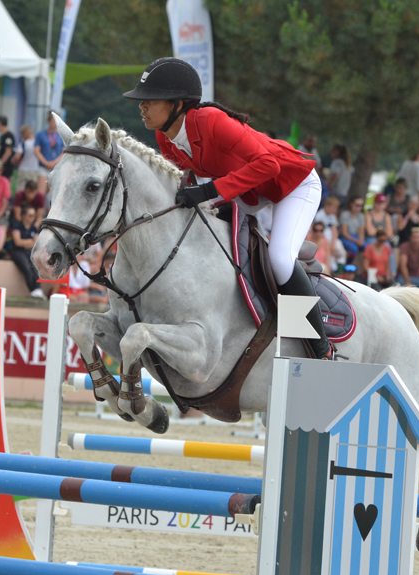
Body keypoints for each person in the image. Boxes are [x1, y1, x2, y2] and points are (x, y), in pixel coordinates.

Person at [124, 57, 331, 358]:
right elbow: (185, 179)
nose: (141, 107)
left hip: (292, 183)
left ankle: (320, 347)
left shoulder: (211, 120)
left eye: (149, 101)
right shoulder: (164, 137)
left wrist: (208, 191)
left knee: (280, 259)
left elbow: (268, 165)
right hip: (250, 191)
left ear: (178, 104)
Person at [9, 205, 46, 299]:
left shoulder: (34, 228)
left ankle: (38, 290)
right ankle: (33, 291)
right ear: (24, 216)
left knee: (36, 268)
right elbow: (17, 242)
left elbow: (36, 244)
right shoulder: (17, 225)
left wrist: (25, 242)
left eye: (34, 216)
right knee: (27, 270)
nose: (32, 218)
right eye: (30, 215)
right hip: (18, 252)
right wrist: (30, 241)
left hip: (29, 252)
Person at [34, 112, 65, 195]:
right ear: (48, 122)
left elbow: (64, 152)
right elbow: (37, 151)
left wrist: (54, 163)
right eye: (54, 121)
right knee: (41, 192)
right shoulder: (41, 134)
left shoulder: (61, 135)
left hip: (56, 168)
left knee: (54, 193)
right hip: (43, 167)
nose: (55, 124)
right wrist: (46, 163)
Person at [339, 196, 366, 260]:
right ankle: (348, 265)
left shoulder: (361, 216)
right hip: (344, 237)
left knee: (367, 247)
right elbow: (344, 233)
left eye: (361, 205)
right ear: (351, 204)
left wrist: (361, 240)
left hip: (355, 237)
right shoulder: (345, 214)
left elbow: (361, 231)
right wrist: (356, 241)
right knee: (354, 248)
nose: (359, 207)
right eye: (357, 205)